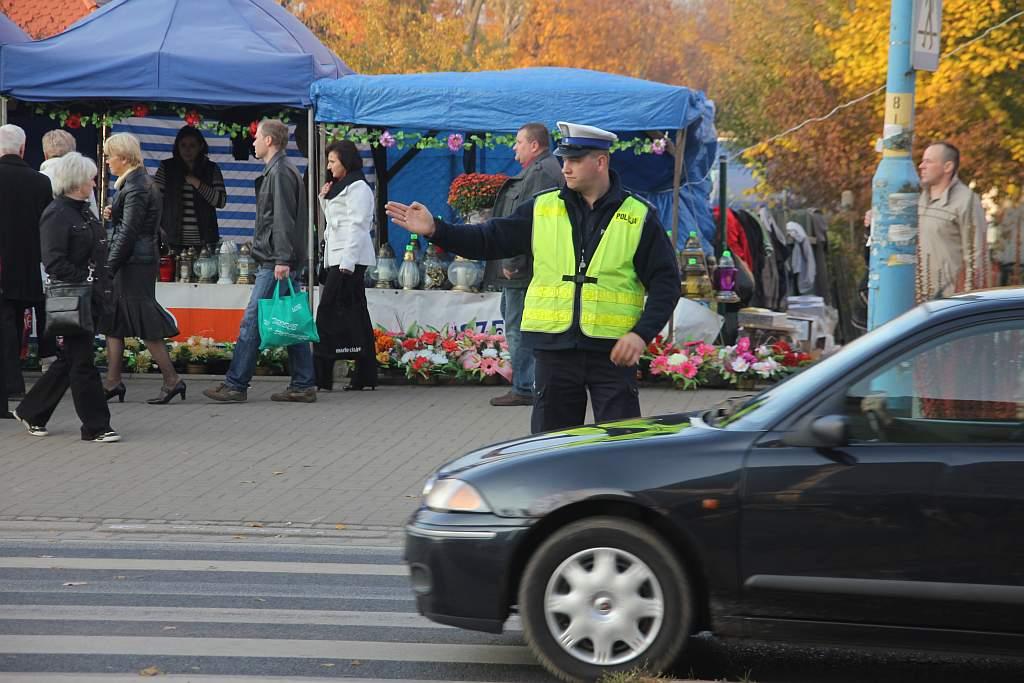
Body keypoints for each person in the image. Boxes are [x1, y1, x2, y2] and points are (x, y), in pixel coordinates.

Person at [387, 122, 680, 433]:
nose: (565, 168)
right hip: (555, 353)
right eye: (563, 159)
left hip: (613, 354)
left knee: (622, 444)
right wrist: (436, 230)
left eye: (574, 160)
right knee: (547, 452)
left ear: (601, 162)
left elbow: (666, 283)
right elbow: (489, 239)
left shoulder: (638, 215)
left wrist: (640, 334)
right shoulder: (542, 208)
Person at [203, 119, 315, 403]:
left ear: (269, 141)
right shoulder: (281, 169)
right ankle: (303, 383)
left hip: (276, 261)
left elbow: (282, 219)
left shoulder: (278, 172)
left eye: (256, 137)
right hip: (281, 257)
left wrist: (281, 258)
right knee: (290, 317)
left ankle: (236, 384)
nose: (252, 142)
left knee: (252, 320)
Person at [13, 153, 120, 442]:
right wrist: (84, 276)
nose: (95, 182)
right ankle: (96, 425)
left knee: (70, 359)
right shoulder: (57, 213)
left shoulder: (82, 211)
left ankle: (32, 410)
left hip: (89, 296)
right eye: (90, 178)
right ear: (76, 180)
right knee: (82, 363)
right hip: (72, 298)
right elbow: (53, 260)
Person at [99, 133, 184, 405]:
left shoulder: (135, 186)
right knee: (115, 321)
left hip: (133, 262)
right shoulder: (136, 182)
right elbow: (134, 222)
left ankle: (172, 380)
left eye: (110, 156)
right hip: (136, 259)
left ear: (123, 158)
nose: (108, 161)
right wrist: (117, 211)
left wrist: (109, 266)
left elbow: (129, 232)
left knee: (143, 320)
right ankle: (113, 382)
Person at [484, 122, 564, 407]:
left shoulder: (541, 174)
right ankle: (529, 384)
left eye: (518, 142)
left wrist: (514, 259)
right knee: (520, 322)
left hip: (525, 268)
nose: (514, 147)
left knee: (519, 325)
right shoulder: (542, 170)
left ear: (534, 145)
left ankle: (525, 387)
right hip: (531, 265)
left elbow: (531, 222)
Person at [314, 140, 377, 391]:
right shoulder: (343, 186)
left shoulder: (358, 187)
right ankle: (364, 374)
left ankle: (322, 375)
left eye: (332, 161)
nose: (329, 167)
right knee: (356, 313)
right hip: (338, 257)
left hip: (347, 260)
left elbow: (358, 225)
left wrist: (348, 262)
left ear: (346, 161)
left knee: (327, 312)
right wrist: (323, 198)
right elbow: (335, 221)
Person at [0, 124, 53, 405]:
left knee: (5, 323)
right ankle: (13, 380)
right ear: (23, 148)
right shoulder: (41, 182)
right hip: (26, 265)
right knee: (16, 322)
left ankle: (9, 382)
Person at [38, 129, 94, 375]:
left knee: (48, 307)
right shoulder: (77, 185)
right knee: (76, 346)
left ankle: (47, 354)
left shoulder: (38, 176)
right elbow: (90, 220)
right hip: (72, 269)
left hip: (46, 258)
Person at [917, 141, 990, 300]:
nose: (921, 166)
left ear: (948, 167)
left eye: (928, 161)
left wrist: (971, 299)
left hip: (950, 301)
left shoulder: (967, 201)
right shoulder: (919, 198)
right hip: (917, 297)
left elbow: (976, 255)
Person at [153, 126, 227, 250]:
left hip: (205, 241)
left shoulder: (211, 169)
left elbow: (221, 201)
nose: (187, 150)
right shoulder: (166, 168)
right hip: (172, 240)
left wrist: (197, 183)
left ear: (201, 146)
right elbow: (154, 200)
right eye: (183, 145)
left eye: (192, 145)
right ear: (177, 147)